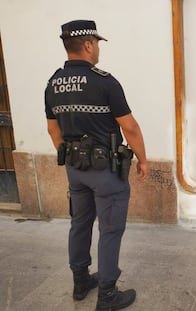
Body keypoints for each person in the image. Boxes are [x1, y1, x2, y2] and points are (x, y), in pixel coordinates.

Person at [44, 20, 148, 310]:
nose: (98, 48)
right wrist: (143, 159)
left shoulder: (53, 82)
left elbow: (54, 132)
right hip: (106, 172)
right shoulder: (104, 81)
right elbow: (131, 128)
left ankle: (80, 282)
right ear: (88, 44)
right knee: (110, 230)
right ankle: (107, 295)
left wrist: (71, 158)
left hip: (75, 171)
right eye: (98, 43)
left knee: (79, 224)